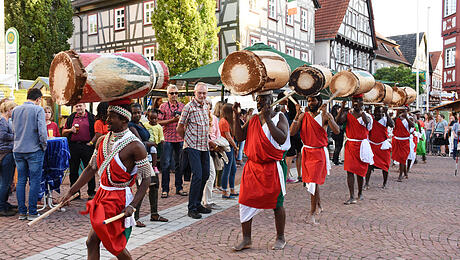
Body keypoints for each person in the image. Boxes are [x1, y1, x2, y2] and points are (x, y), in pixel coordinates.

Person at [60, 98, 151, 259]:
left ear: (124, 120)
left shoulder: (136, 146)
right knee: (92, 242)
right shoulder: (102, 140)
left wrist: (133, 206)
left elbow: (146, 179)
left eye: (111, 117)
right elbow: (90, 168)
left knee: (114, 246)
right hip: (101, 196)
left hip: (118, 199)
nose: (106, 120)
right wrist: (71, 191)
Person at [232, 91, 290, 251]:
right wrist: (236, 116)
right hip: (252, 167)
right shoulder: (253, 119)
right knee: (244, 201)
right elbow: (239, 137)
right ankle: (246, 238)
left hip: (272, 166)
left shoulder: (280, 117)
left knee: (277, 204)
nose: (260, 102)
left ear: (272, 100)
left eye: (264, 99)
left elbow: (281, 138)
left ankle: (280, 237)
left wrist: (269, 120)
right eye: (258, 100)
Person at [290, 95, 339, 224]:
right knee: (313, 182)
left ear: (320, 101)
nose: (311, 102)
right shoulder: (302, 115)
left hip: (318, 153)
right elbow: (291, 133)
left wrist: (329, 117)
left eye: (313, 100)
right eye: (309, 100)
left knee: (312, 181)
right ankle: (319, 205)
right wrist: (296, 115)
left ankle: (312, 214)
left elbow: (337, 131)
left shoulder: (325, 115)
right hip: (307, 152)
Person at [177, 82, 212, 219]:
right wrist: (187, 140)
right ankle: (191, 208)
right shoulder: (188, 107)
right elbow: (179, 127)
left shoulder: (206, 106)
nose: (202, 95)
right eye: (200, 93)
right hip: (193, 146)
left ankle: (198, 204)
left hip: (204, 146)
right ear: (195, 93)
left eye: (204, 93)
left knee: (205, 175)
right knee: (197, 176)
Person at [128, 103, 167, 227]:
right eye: (134, 113)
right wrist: (150, 144)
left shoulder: (141, 124)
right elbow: (139, 142)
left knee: (155, 185)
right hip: (139, 160)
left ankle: (154, 213)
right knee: (142, 187)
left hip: (148, 158)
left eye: (139, 112)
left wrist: (150, 144)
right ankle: (136, 216)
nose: (137, 115)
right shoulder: (131, 126)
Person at [12, 88, 47, 220]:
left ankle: (22, 212)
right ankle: (32, 212)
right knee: (34, 181)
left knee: (21, 180)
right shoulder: (38, 110)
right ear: (38, 99)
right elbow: (42, 132)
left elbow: (13, 129)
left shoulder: (15, 110)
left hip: (18, 148)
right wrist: (43, 146)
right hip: (33, 149)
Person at [336, 95, 373, 205]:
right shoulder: (348, 113)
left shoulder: (366, 115)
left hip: (361, 146)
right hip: (350, 146)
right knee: (350, 171)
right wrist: (342, 107)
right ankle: (352, 195)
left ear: (362, 102)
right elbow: (338, 121)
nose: (356, 102)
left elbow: (367, 123)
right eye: (354, 100)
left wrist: (361, 111)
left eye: (358, 101)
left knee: (360, 171)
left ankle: (360, 193)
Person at [62, 103, 96, 199]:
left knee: (90, 169)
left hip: (87, 146)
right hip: (74, 146)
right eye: (76, 106)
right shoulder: (71, 118)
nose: (78, 108)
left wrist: (91, 143)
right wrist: (70, 130)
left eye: (80, 106)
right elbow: (63, 132)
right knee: (73, 170)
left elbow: (96, 132)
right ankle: (75, 193)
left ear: (85, 106)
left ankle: (91, 192)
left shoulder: (91, 117)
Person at [158, 85, 187, 198]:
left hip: (180, 138)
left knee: (180, 165)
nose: (174, 95)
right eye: (171, 93)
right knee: (166, 165)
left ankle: (179, 188)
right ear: (167, 94)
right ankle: (165, 189)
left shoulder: (183, 107)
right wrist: (173, 120)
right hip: (167, 138)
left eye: (176, 93)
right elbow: (159, 122)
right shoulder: (163, 106)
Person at [364, 106, 394, 190]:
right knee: (369, 165)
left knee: (385, 165)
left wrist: (387, 113)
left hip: (382, 147)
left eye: (380, 112)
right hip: (372, 145)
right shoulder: (371, 119)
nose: (378, 114)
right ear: (374, 113)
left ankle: (384, 183)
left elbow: (391, 124)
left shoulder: (385, 119)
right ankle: (366, 183)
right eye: (376, 112)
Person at [277, 92, 302, 183]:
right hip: (292, 136)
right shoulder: (283, 112)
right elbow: (290, 127)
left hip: (295, 135)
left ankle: (296, 175)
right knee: (291, 156)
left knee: (294, 155)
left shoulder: (287, 111)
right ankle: (287, 176)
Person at [202, 101, 223, 210]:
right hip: (203, 148)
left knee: (211, 174)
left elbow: (217, 133)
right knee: (210, 174)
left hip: (213, 148)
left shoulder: (213, 118)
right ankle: (207, 201)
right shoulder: (200, 117)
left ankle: (205, 200)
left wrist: (217, 144)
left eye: (207, 104)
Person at [0, 101, 17, 216]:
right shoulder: (2, 121)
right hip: (5, 153)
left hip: (6, 152)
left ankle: (4, 203)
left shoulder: (6, 121)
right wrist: (16, 136)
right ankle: (1, 206)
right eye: (14, 110)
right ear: (9, 109)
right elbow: (2, 135)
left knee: (5, 181)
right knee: (5, 182)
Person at [219, 103, 239, 199]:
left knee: (233, 169)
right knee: (227, 169)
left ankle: (231, 189)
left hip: (229, 146)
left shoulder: (226, 121)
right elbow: (229, 137)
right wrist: (236, 147)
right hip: (227, 147)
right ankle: (225, 191)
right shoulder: (224, 122)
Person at [392, 106, 414, 182]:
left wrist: (406, 118)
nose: (402, 113)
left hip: (405, 142)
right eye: (401, 111)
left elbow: (412, 125)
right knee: (401, 159)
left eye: (403, 111)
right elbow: (392, 124)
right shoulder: (396, 119)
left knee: (402, 158)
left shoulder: (409, 119)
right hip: (397, 141)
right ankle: (405, 173)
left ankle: (400, 175)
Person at [213, 101, 225, 191]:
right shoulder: (216, 119)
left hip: (219, 143)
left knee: (219, 164)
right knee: (216, 164)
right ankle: (216, 185)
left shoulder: (219, 119)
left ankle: (217, 184)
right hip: (216, 143)